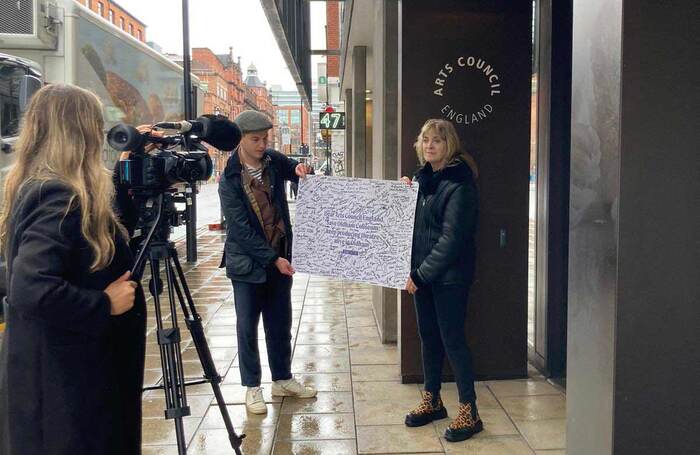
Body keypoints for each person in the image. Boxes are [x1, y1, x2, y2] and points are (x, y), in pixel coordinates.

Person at [0, 84, 146, 455]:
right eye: (96, 126)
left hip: (55, 377)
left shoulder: (39, 187)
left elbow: (86, 249)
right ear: (81, 132)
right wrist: (103, 304)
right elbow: (30, 288)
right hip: (68, 389)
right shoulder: (59, 197)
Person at [218, 110, 315, 415]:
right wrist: (274, 259)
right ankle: (252, 387)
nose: (262, 145)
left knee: (280, 324)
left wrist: (300, 168)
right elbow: (240, 231)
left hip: (279, 259)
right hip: (248, 266)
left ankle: (282, 379)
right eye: (255, 139)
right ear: (241, 140)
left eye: (265, 138)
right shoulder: (229, 179)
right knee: (247, 328)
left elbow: (293, 169)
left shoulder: (272, 161)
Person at [402, 119, 482, 442]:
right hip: (423, 277)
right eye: (424, 140)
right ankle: (432, 399)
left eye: (436, 140)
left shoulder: (460, 184)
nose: (429, 145)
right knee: (429, 338)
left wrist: (419, 274)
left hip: (448, 278)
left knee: (453, 341)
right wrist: (403, 197)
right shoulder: (423, 181)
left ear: (449, 145)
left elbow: (452, 241)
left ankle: (469, 411)